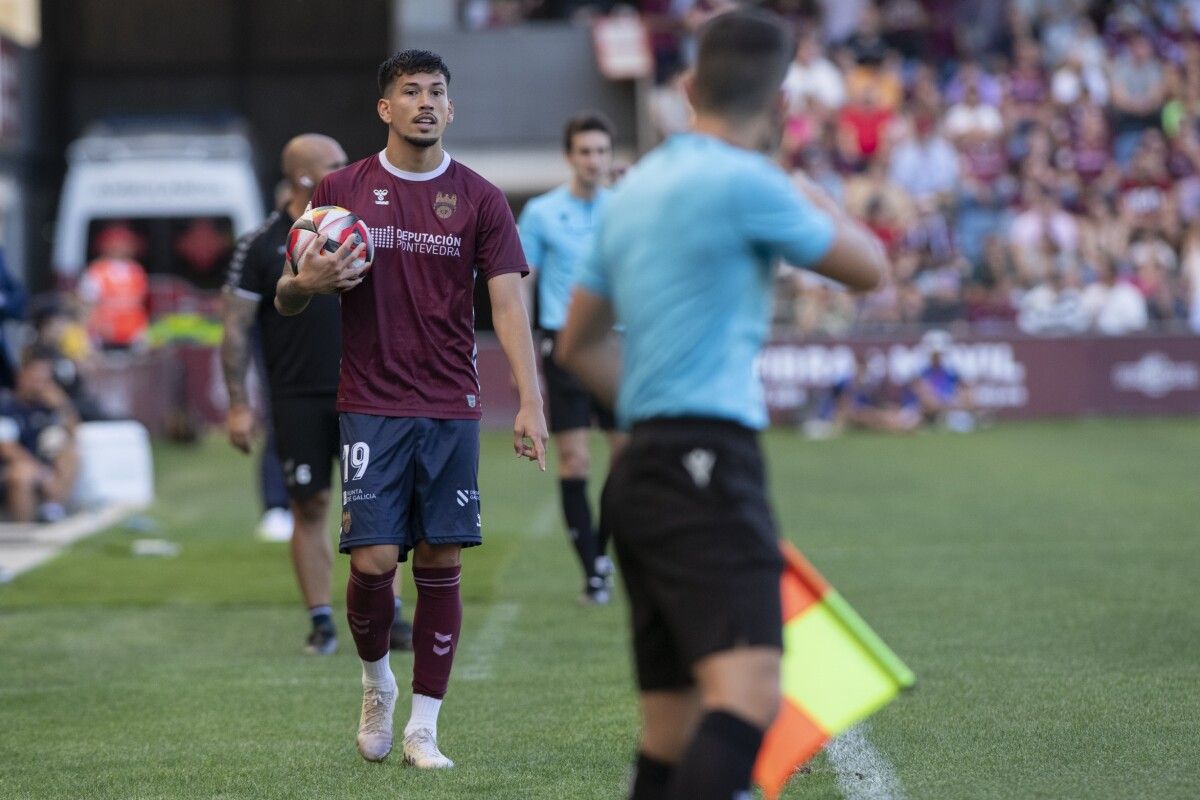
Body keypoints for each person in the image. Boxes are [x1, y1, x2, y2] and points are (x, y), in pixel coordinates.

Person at [556, 10, 885, 800]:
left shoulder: (632, 192)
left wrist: (647, 406)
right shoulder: (751, 182)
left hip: (640, 473)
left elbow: (578, 347)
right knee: (747, 697)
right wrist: (807, 190)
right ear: (779, 101)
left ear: (687, 86)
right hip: (709, 459)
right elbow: (869, 268)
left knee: (668, 729)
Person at [274, 50, 547, 769]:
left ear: (451, 110)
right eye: (409, 92)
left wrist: (529, 401)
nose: (425, 102)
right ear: (384, 108)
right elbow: (286, 295)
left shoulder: (482, 198)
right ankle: (376, 684)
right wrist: (307, 278)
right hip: (370, 400)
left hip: (451, 403)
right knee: (371, 562)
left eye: (436, 93)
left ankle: (424, 728)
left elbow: (508, 304)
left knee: (442, 555)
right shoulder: (339, 190)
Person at [221, 134, 413, 655]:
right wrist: (239, 403)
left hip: (368, 389)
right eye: (334, 166)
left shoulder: (362, 231)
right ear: (306, 178)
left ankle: (390, 616)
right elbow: (235, 329)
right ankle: (322, 621)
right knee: (311, 505)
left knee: (379, 507)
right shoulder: (260, 243)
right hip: (297, 395)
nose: (347, 171)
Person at [518, 111, 625, 605]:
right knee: (575, 458)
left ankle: (599, 552)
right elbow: (523, 280)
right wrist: (523, 337)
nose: (594, 160)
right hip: (565, 344)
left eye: (601, 151)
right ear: (570, 157)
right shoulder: (541, 213)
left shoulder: (625, 207)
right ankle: (592, 571)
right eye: (585, 151)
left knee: (626, 461)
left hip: (619, 342)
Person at [0, 348, 80, 523]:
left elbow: (74, 432)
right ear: (22, 376)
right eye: (35, 378)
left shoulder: (46, 405)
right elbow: (6, 448)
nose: (39, 384)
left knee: (69, 452)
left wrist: (62, 405)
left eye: (44, 380)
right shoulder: (6, 405)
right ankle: (24, 532)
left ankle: (52, 509)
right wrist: (42, 473)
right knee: (22, 474)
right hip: (12, 467)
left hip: (41, 463)